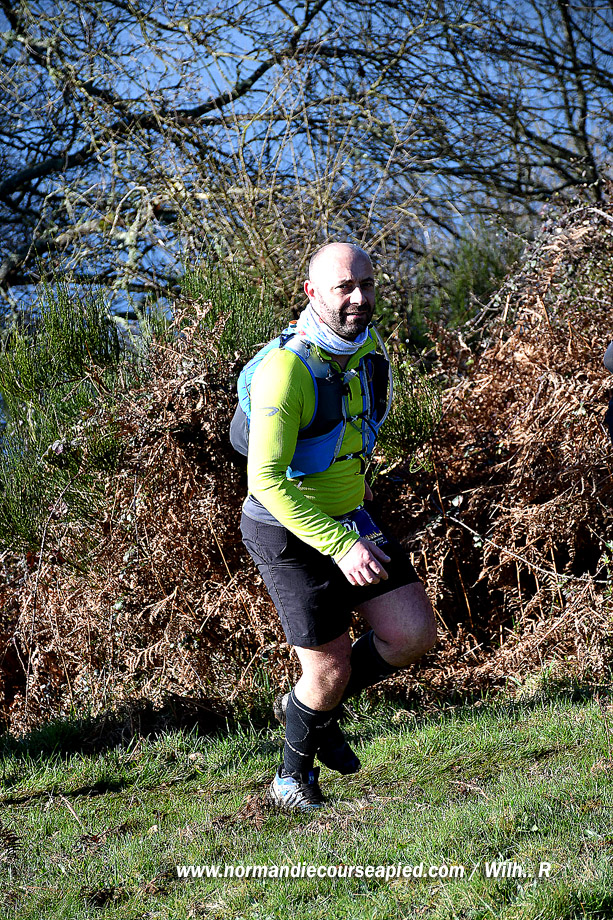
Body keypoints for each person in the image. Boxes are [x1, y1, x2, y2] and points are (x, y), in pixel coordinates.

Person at [239, 242, 437, 810]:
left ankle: (306, 710)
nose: (358, 298)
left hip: (349, 514)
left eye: (366, 285)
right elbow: (265, 481)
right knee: (329, 668)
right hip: (286, 530)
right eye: (343, 287)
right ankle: (290, 781)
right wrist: (342, 545)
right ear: (311, 293)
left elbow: (354, 423)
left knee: (412, 635)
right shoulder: (284, 371)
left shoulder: (367, 347)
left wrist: (356, 482)